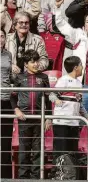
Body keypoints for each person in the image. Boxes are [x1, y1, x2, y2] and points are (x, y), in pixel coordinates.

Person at [10, 50, 52, 179]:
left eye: (37, 61)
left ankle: (36, 178)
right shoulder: (19, 78)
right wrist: (16, 109)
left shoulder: (44, 77)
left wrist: (48, 117)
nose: (36, 64)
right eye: (32, 62)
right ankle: (23, 178)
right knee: (24, 151)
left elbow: (48, 99)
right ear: (26, 64)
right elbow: (12, 96)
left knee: (38, 150)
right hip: (24, 119)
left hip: (40, 119)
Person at [48, 56, 88, 163]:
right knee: (60, 151)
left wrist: (87, 117)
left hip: (74, 123)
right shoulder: (63, 80)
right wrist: (56, 100)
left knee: (72, 151)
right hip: (61, 122)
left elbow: (79, 104)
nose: (83, 68)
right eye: (81, 65)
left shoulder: (78, 83)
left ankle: (70, 174)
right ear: (76, 67)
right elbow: (51, 94)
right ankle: (59, 174)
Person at [0, 28, 13, 178]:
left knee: (5, 140)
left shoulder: (8, 55)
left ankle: (6, 175)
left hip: (6, 100)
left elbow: (9, 76)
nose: (0, 39)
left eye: (2, 36)